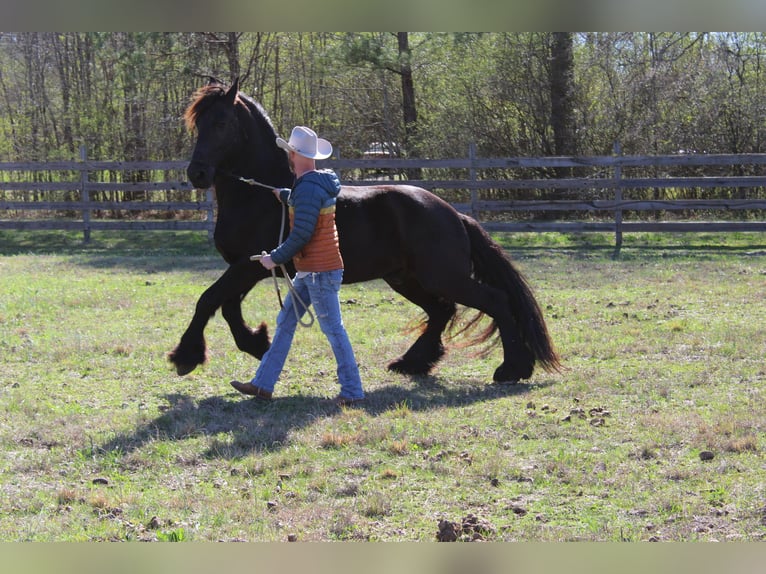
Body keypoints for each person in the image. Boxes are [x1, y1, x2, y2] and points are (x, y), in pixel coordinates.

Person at [230, 126, 365, 406]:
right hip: (313, 270)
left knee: (333, 329)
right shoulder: (314, 184)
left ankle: (352, 390)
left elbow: (302, 234)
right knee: (286, 323)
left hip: (319, 272)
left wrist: (274, 258)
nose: (288, 157)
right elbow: (306, 206)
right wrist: (284, 195)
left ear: (294, 154)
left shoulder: (307, 190)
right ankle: (262, 385)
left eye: (289, 153)